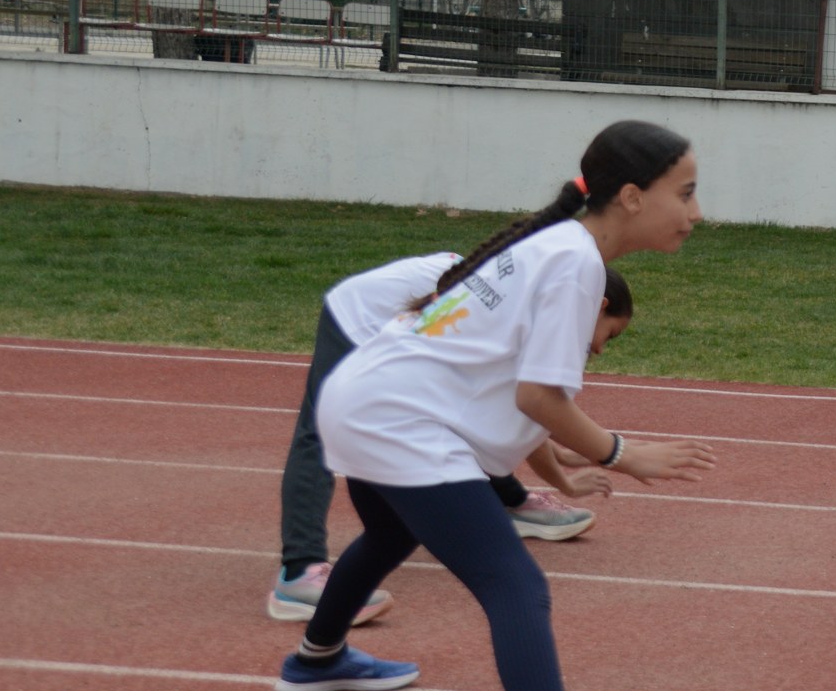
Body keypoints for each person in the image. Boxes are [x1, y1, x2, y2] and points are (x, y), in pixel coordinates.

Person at [278, 121, 717, 691]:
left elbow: (516, 394)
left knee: (390, 531)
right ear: (633, 197)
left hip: (363, 399)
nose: (697, 212)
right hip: (397, 418)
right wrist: (623, 454)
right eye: (688, 193)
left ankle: (316, 658)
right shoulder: (575, 264)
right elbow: (539, 398)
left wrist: (566, 474)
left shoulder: (556, 247)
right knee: (517, 588)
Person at [270, 253, 630, 621]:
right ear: (599, 306)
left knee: (458, 412)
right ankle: (299, 573)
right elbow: (530, 403)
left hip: (406, 329)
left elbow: (509, 404)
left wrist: (562, 455)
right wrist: (565, 480)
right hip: (361, 317)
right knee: (318, 434)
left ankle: (511, 502)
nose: (600, 349)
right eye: (610, 334)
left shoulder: (539, 304)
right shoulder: (522, 309)